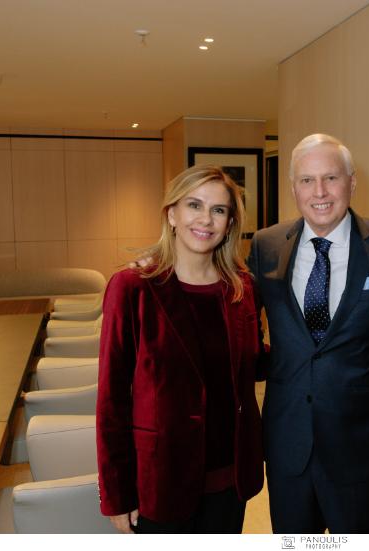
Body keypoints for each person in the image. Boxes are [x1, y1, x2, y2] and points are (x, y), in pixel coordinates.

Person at [96, 165, 264, 534]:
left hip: (229, 480)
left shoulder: (241, 288)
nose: (206, 219)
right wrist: (116, 494)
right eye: (194, 205)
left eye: (218, 210)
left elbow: (253, 361)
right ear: (172, 214)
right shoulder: (133, 288)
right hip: (161, 482)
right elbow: (112, 399)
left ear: (229, 224)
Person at [248, 133, 369, 533]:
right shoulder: (266, 245)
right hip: (289, 444)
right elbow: (235, 316)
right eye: (307, 180)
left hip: (364, 448)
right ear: (293, 187)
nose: (319, 192)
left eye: (331, 178)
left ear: (351, 182)